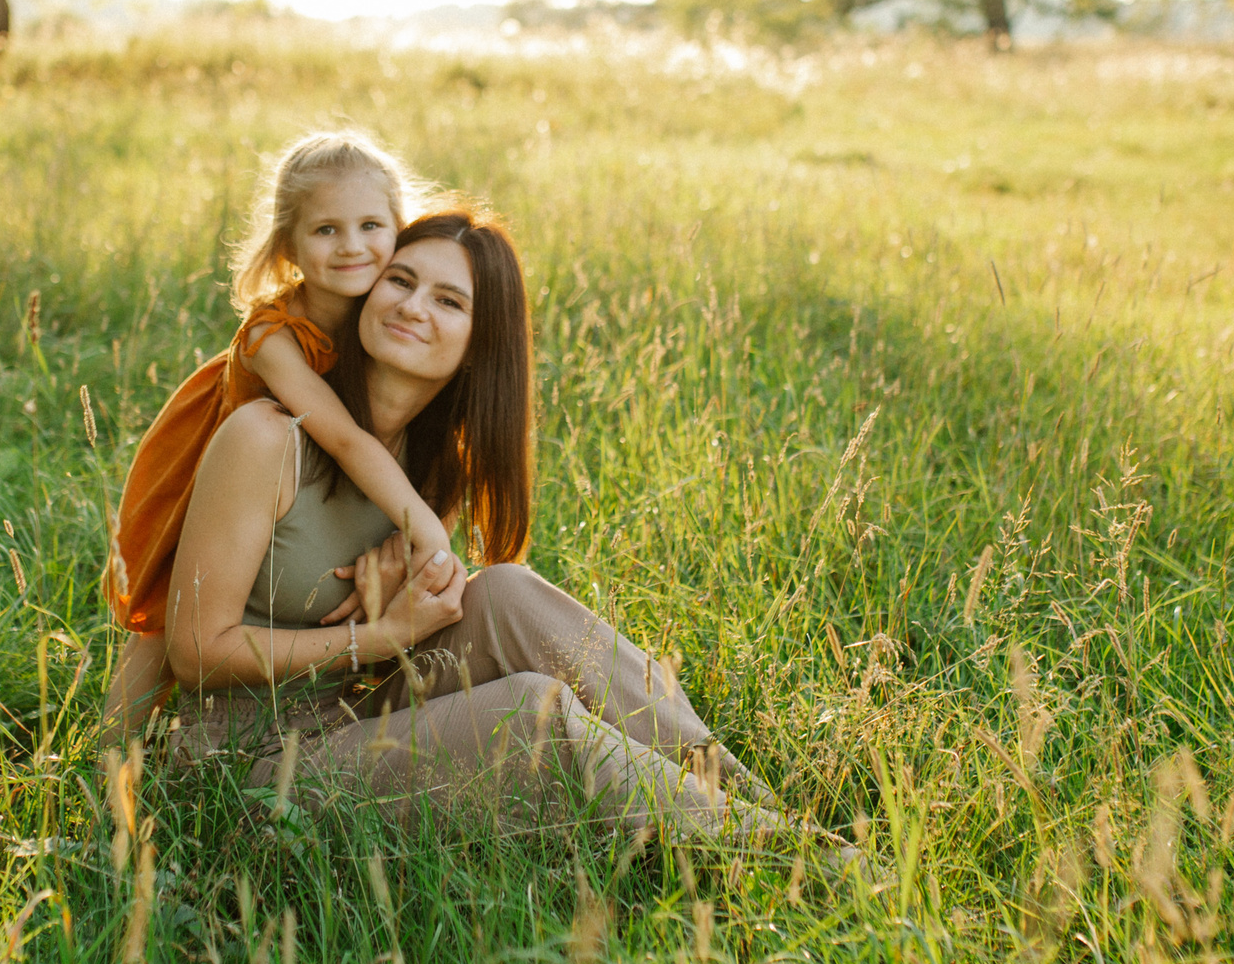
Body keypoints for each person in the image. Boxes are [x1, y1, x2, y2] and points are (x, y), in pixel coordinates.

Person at [162, 206, 812, 847]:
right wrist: (380, 635)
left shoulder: (427, 464)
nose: (413, 306)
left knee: (508, 592)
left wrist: (412, 607)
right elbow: (194, 652)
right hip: (245, 771)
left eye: (449, 301)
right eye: (401, 280)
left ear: (481, 344)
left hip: (349, 720)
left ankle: (750, 796)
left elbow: (428, 633)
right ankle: (792, 859)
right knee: (534, 712)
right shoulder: (267, 437)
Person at [97, 131, 465, 744]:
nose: (352, 247)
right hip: (222, 461)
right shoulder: (273, 337)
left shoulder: (385, 308)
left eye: (372, 225)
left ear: (400, 228)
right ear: (288, 246)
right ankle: (105, 762)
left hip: (298, 472)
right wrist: (426, 528)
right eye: (326, 231)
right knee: (168, 610)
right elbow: (345, 438)